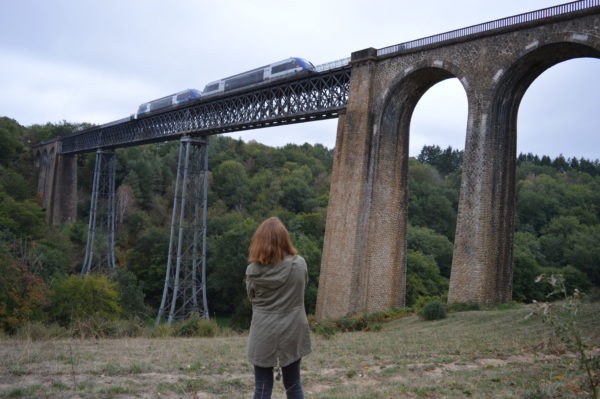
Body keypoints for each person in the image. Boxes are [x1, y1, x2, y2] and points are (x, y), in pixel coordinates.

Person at [246, 217, 312, 399]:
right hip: (293, 328)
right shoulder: (299, 265)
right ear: (285, 238)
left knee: (261, 385)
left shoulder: (252, 271)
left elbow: (251, 298)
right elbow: (302, 287)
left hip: (263, 329)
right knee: (293, 384)